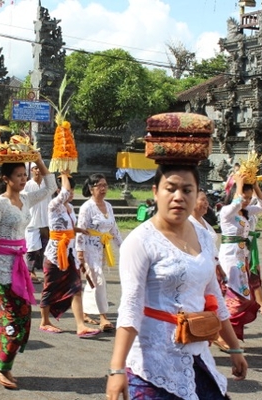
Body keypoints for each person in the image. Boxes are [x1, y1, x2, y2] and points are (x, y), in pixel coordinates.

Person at [106, 164, 248, 400]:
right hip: (152, 361)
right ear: (155, 192)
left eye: (187, 190)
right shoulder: (140, 241)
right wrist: (117, 368)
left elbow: (213, 295)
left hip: (196, 353)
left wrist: (234, 348)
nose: (178, 197)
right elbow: (130, 308)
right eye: (170, 189)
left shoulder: (203, 234)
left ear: (197, 194)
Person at [0, 157, 56, 390]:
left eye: (24, 175)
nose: (23, 179)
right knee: (16, 316)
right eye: (18, 175)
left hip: (18, 264)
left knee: (9, 316)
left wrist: (37, 158)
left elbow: (51, 187)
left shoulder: (26, 198)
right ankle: (0, 366)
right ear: (5, 179)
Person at [39, 172, 100, 337]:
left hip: (69, 252)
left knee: (75, 287)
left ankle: (80, 325)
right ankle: (44, 321)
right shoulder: (53, 205)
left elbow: (65, 226)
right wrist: (64, 173)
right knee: (50, 287)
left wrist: (78, 230)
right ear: (59, 190)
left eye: (73, 191)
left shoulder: (70, 207)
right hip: (55, 253)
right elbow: (64, 195)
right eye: (69, 190)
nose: (71, 194)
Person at [215, 173, 262, 349]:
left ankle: (227, 333)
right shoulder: (227, 211)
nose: (246, 201)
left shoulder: (245, 212)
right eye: (245, 197)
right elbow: (236, 202)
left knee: (245, 297)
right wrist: (238, 185)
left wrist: (256, 186)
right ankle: (221, 333)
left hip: (242, 258)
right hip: (230, 258)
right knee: (235, 297)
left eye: (249, 198)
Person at [76, 173, 122, 332]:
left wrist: (123, 247)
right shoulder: (86, 207)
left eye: (105, 185)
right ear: (91, 188)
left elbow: (114, 229)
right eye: (99, 186)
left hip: (102, 248)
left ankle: (85, 311)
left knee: (93, 282)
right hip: (88, 249)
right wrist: (80, 253)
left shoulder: (108, 205)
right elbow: (80, 231)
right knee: (99, 280)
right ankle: (104, 317)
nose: (103, 189)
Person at [190, 189, 227, 292]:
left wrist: (220, 269)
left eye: (207, 200)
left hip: (212, 268)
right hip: (198, 271)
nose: (206, 203)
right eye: (202, 200)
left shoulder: (205, 223)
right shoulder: (187, 223)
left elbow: (213, 248)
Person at [24, 162, 51, 282]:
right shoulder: (27, 185)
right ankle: (30, 271)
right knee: (32, 248)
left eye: (40, 168)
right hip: (32, 221)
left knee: (45, 248)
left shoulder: (48, 185)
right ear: (31, 171)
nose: (38, 171)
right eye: (35, 168)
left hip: (46, 221)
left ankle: (47, 271)